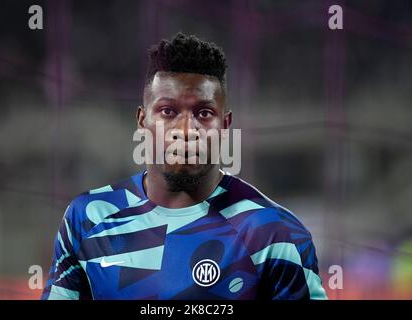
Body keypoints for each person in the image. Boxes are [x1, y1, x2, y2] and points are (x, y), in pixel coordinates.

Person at [41, 32, 327, 300]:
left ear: (225, 125)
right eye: (168, 111)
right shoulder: (87, 218)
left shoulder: (275, 233)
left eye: (203, 113)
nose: (186, 129)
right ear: (143, 121)